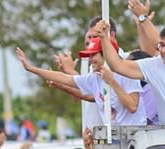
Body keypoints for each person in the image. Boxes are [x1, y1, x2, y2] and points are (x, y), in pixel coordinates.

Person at [16, 39, 146, 127]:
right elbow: (63, 77)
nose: (90, 59)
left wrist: (112, 82)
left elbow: (132, 106)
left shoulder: (127, 72)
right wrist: (31, 68)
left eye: (93, 55)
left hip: (134, 138)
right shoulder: (95, 78)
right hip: (112, 138)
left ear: (106, 54)